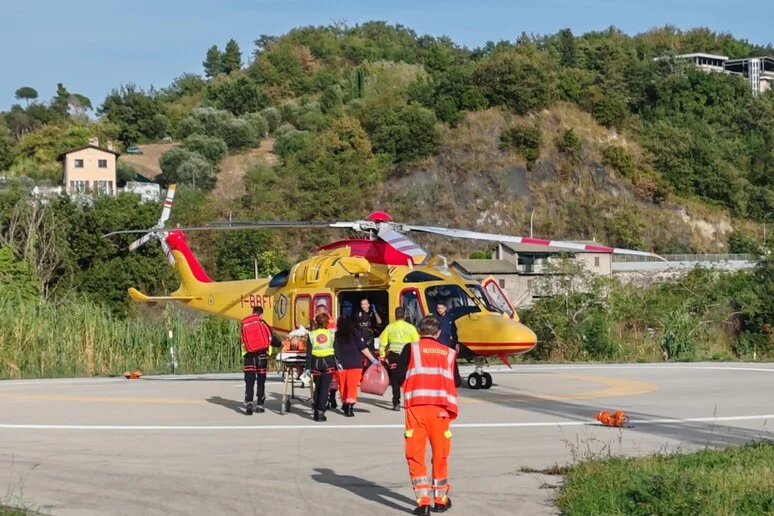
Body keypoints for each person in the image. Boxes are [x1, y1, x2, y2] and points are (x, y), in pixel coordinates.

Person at [393, 316, 458, 515]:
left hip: (416, 409)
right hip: (440, 410)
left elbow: (397, 377)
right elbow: (457, 380)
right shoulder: (448, 352)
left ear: (419, 331)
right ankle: (441, 499)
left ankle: (423, 503)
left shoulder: (411, 349)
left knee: (415, 454)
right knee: (440, 455)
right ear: (438, 333)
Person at [333, 316, 379, 417]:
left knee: (343, 386)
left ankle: (345, 402)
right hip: (355, 363)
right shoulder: (354, 333)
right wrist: (373, 360)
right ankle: (350, 406)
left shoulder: (335, 335)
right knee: (352, 386)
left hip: (340, 365)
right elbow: (363, 348)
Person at [240, 306, 281, 415]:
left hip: (249, 357)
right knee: (261, 381)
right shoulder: (263, 324)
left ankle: (249, 401)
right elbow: (271, 338)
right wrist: (280, 344)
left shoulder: (245, 325)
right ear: (261, 314)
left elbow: (242, 340)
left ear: (252, 312)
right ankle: (259, 404)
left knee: (249, 382)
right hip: (261, 357)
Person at [378, 307, 420, 411]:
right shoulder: (411, 328)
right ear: (405, 315)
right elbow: (417, 343)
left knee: (395, 381)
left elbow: (382, 342)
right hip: (407, 356)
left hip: (394, 356)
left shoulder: (390, 327)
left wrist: (382, 355)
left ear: (395, 315)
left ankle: (396, 403)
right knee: (408, 380)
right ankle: (408, 402)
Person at [307, 312, 336, 422]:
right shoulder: (332, 334)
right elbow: (336, 351)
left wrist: (308, 367)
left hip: (316, 363)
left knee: (317, 387)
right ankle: (320, 412)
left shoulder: (311, 334)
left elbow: (308, 353)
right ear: (327, 323)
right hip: (328, 363)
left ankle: (315, 410)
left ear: (316, 322)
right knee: (325, 388)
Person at [435, 300, 461, 388]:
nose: (439, 310)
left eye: (441, 308)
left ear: (445, 308)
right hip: (438, 343)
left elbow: (454, 331)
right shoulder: (434, 318)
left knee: (452, 362)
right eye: (438, 308)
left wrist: (456, 343)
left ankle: (456, 381)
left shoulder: (450, 318)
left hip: (448, 343)